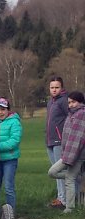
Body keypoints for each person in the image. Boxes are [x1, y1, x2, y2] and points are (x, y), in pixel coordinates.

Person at [48, 91, 85, 213]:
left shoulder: (81, 115)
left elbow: (78, 137)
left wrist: (71, 156)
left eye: (74, 102)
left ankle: (70, 208)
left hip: (76, 154)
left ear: (80, 102)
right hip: (68, 153)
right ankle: (78, 176)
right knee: (53, 172)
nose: (71, 105)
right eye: (69, 102)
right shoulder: (71, 115)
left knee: (68, 179)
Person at [0, 97, 22, 216]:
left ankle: (10, 214)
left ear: (8, 109)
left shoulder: (14, 122)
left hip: (10, 159)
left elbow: (14, 141)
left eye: (3, 109)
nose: (0, 113)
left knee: (9, 187)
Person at [45, 77, 69, 209]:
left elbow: (70, 118)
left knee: (59, 171)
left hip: (59, 140)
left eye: (57, 87)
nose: (54, 90)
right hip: (49, 140)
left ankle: (64, 200)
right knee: (54, 171)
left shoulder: (64, 101)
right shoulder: (50, 102)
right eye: (52, 87)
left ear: (62, 88)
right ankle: (61, 197)